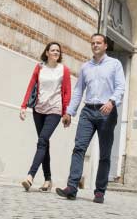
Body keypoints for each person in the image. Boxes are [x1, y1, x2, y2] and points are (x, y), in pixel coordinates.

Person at [55, 33, 125, 204]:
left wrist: (112, 101)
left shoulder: (114, 64)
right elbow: (79, 90)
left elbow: (120, 87)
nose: (95, 45)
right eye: (93, 43)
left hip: (106, 111)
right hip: (88, 111)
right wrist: (69, 112)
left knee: (105, 153)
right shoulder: (86, 66)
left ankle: (99, 192)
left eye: (98, 43)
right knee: (79, 147)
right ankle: (72, 187)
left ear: (105, 45)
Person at [19, 42, 71, 192]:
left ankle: (30, 176)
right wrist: (23, 105)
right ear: (47, 53)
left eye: (58, 51)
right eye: (53, 50)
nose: (56, 52)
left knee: (42, 141)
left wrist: (66, 113)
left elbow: (67, 92)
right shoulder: (39, 67)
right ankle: (48, 179)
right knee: (45, 143)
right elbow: (31, 85)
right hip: (39, 109)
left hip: (54, 110)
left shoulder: (64, 70)